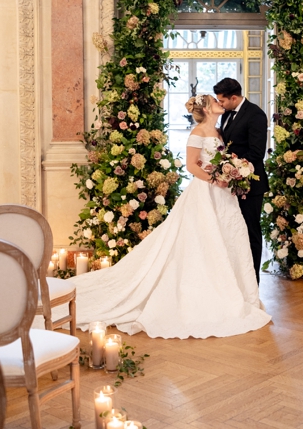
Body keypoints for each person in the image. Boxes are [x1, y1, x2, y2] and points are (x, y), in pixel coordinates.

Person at [70, 94, 271, 338]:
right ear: (207, 108)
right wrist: (215, 179)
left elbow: (219, 159)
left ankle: (236, 293)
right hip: (206, 193)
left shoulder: (219, 132)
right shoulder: (197, 132)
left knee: (229, 238)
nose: (220, 102)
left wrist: (232, 172)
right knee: (202, 241)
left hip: (224, 196)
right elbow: (191, 166)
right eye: (214, 101)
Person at [213, 77, 269, 282]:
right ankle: (238, 277)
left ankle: (253, 279)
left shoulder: (256, 115)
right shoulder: (226, 113)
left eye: (223, 101)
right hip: (231, 184)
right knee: (234, 231)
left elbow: (256, 152)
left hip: (251, 185)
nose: (220, 104)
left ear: (234, 97)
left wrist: (235, 166)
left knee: (251, 231)